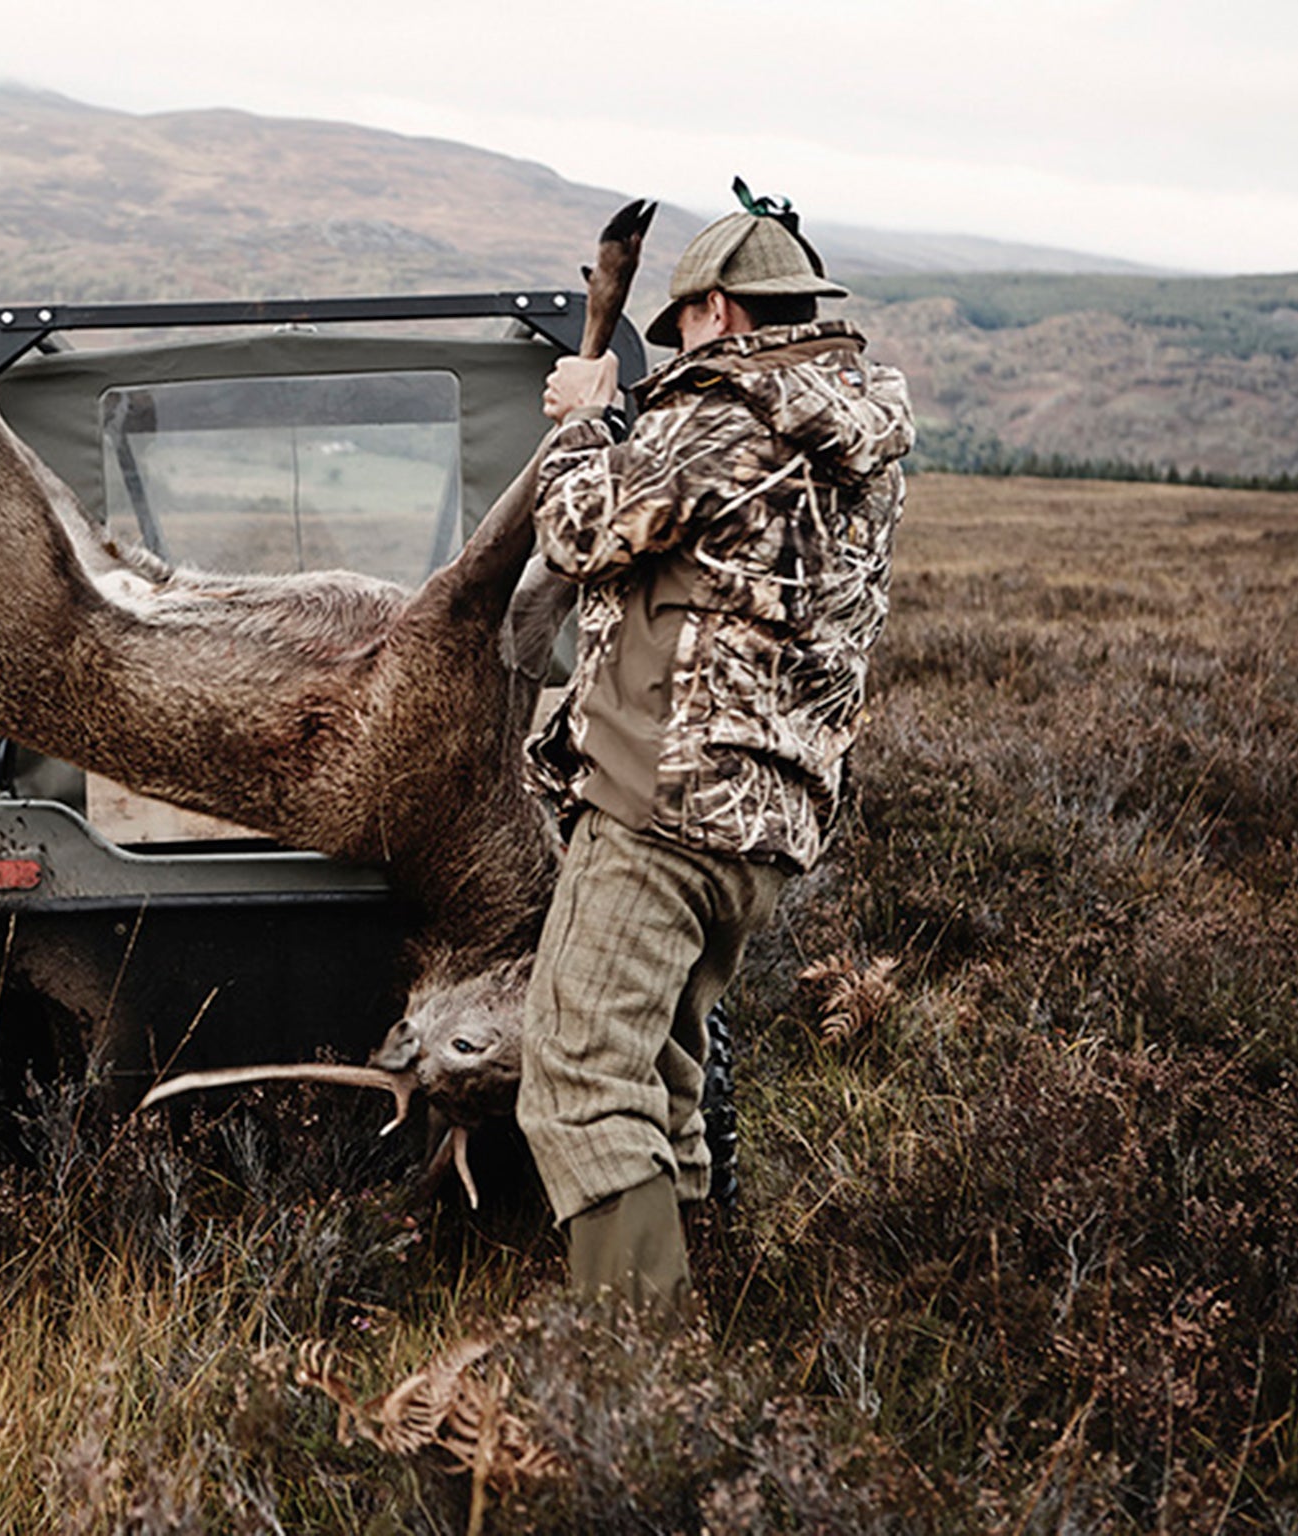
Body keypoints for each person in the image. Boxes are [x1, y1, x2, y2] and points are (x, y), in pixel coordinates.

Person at [516, 182, 915, 1320]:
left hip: (662, 799)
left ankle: (633, 1394)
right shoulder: (849, 431)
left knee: (580, 1078)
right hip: (765, 820)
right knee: (664, 1072)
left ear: (722, 314)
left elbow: (582, 529)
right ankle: (701, 1318)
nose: (674, 349)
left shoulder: (728, 408)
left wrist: (587, 415)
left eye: (681, 326)